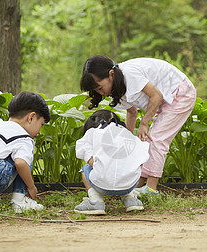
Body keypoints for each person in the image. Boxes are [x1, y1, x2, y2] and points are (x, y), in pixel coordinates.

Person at [80, 55, 197, 195]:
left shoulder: (129, 74)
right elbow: (132, 112)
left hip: (180, 93)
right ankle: (136, 188)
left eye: (100, 88)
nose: (102, 93)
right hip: (165, 101)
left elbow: (156, 96)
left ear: (111, 74)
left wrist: (144, 123)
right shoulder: (116, 90)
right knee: (146, 140)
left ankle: (151, 188)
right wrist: (127, 139)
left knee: (156, 138)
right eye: (97, 91)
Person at [74, 110, 149, 215]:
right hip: (129, 185)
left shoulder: (94, 132)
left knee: (85, 168)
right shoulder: (127, 134)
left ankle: (96, 201)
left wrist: (100, 164)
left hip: (102, 185)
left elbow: (86, 153)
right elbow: (142, 157)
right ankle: (130, 199)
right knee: (130, 169)